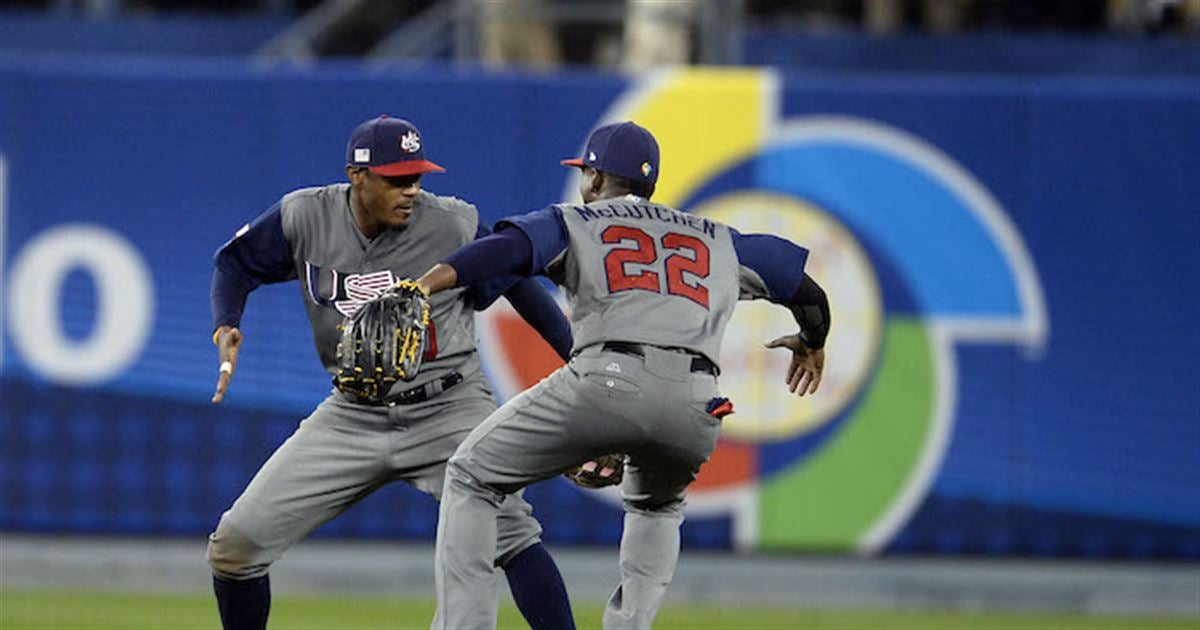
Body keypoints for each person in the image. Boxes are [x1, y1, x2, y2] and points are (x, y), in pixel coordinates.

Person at [413, 121, 831, 629]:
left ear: (593, 177)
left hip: (606, 380)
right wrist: (812, 342)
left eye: (586, 174)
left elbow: (505, 251)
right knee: (656, 508)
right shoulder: (721, 239)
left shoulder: (580, 221)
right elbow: (807, 292)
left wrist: (425, 283)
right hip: (697, 404)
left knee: (471, 475)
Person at [206, 115, 577, 630]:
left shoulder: (451, 223)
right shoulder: (304, 215)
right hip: (351, 414)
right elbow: (234, 265)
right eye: (396, 179)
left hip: (448, 407)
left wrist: (575, 357)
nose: (411, 190)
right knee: (235, 546)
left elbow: (521, 286)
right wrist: (226, 325)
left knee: (511, 535)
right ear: (357, 176)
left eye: (417, 178)